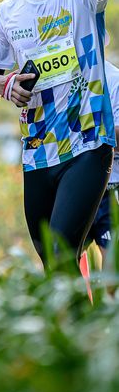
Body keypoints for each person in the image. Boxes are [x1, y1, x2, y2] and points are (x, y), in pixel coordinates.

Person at [0, 0, 119, 270]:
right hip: (38, 150)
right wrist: (4, 83)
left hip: (87, 142)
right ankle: (77, 311)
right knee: (56, 267)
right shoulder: (8, 12)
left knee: (60, 253)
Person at [85, 58, 119, 268]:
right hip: (75, 186)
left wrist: (90, 133)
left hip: (111, 186)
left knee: (112, 268)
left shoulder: (114, 79)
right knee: (62, 259)